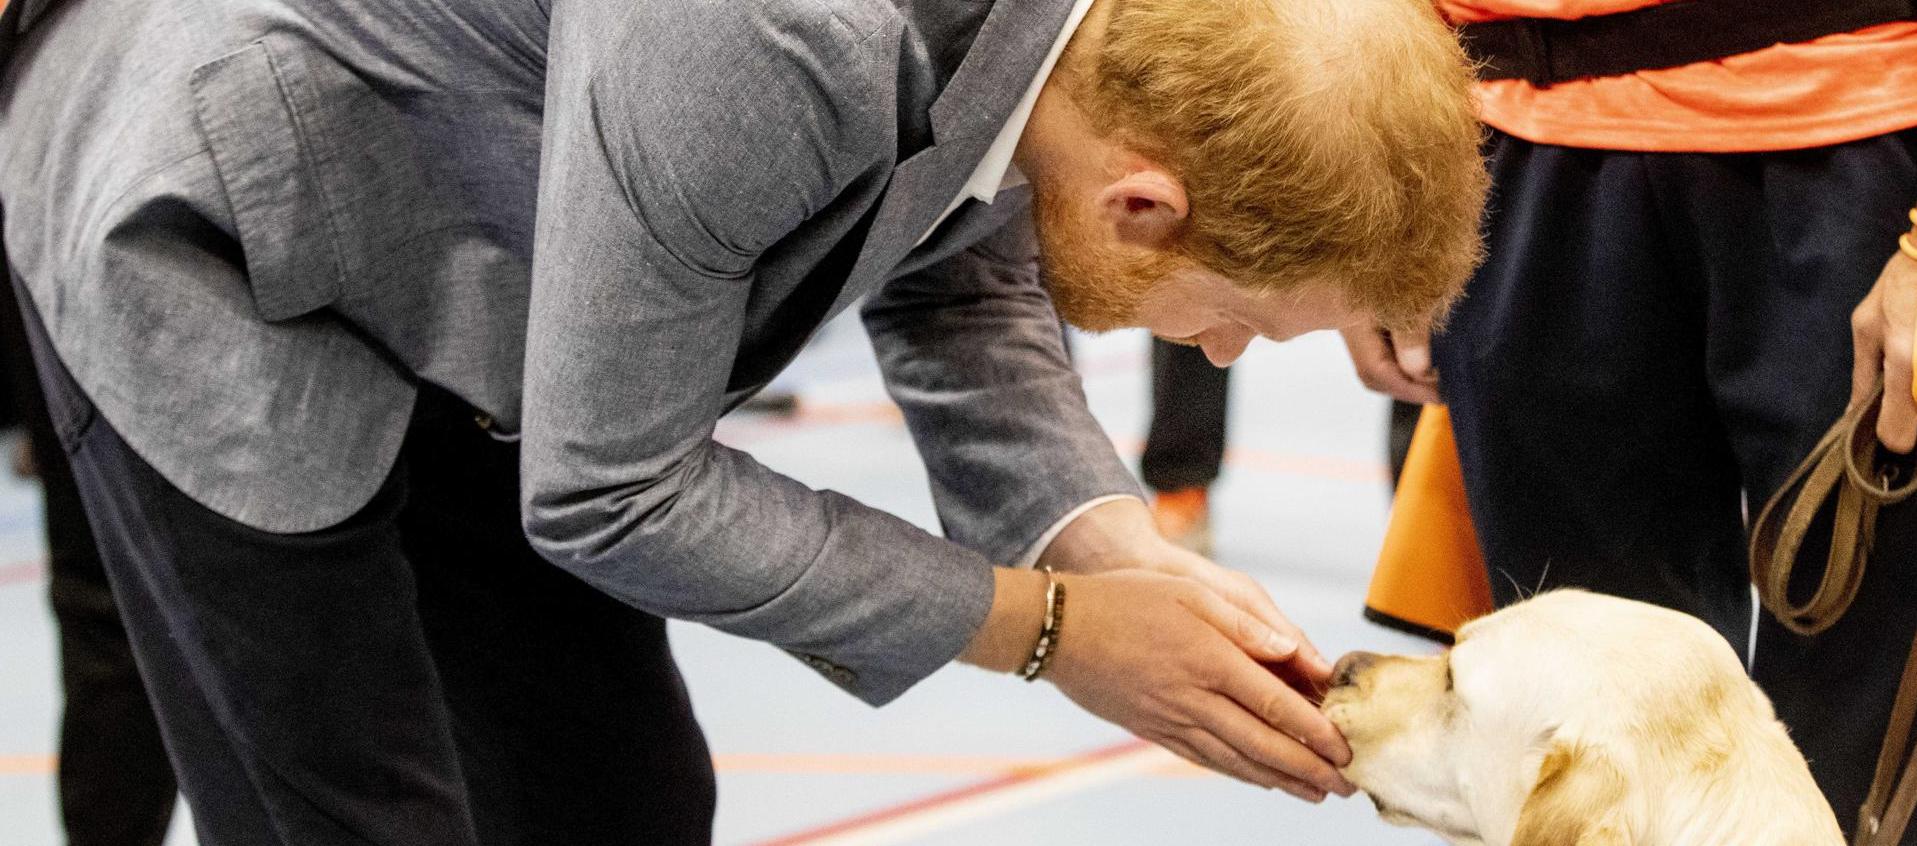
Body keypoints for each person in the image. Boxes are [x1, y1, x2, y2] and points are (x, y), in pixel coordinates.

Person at [0, 0, 1487, 842]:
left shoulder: (1090, 58)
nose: (1220, 354)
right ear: (1146, 202)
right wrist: (1048, 628)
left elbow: (956, 286)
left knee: (621, 804)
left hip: (477, 257)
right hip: (220, 222)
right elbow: (611, 495)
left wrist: (1102, 549)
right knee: (363, 818)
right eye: (1241, 318)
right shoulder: (776, 30)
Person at [1341, 0, 1917, 834]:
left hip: (1859, 128)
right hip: (1520, 137)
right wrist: (1380, 189)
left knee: (1867, 768)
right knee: (1556, 780)